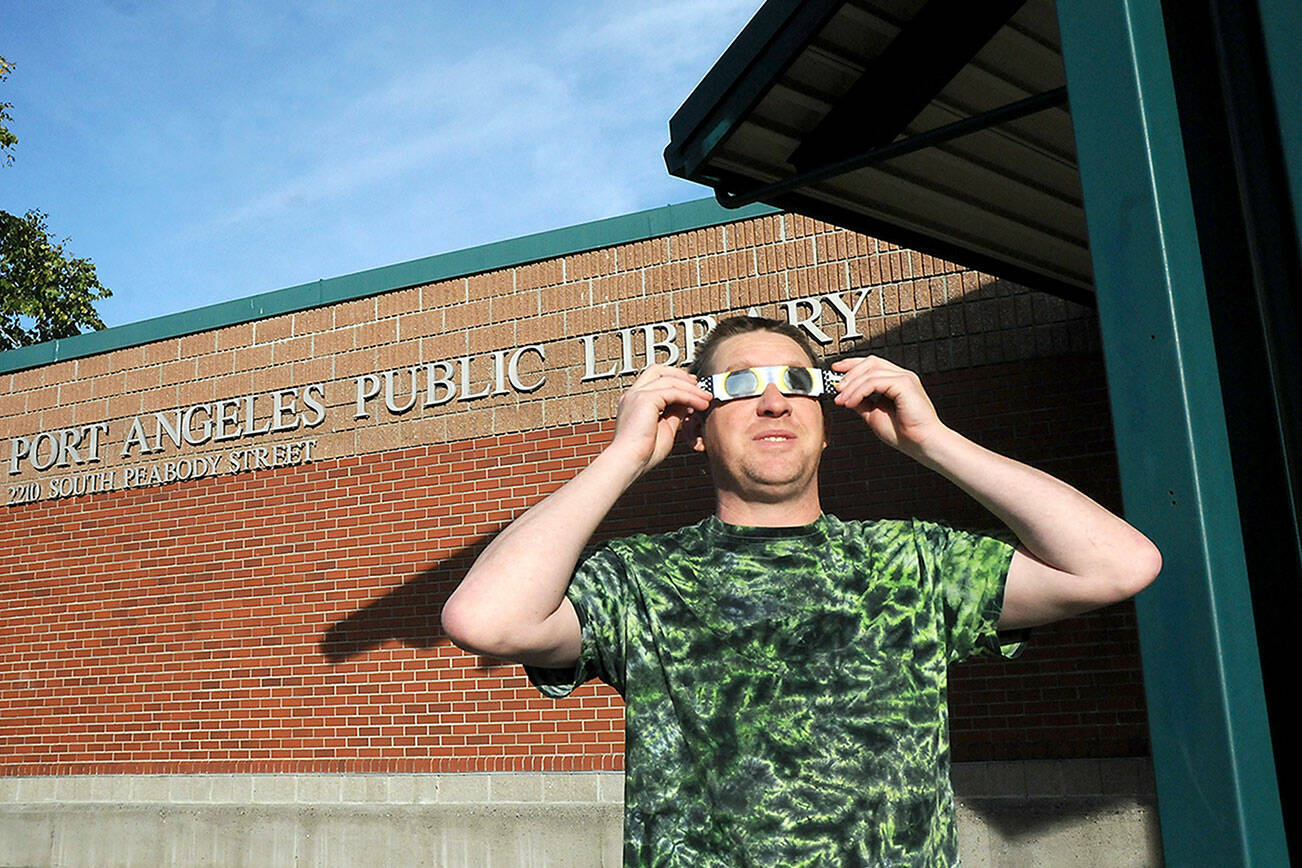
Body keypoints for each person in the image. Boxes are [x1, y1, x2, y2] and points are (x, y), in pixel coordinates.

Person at [442, 316, 1161, 866]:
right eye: (740, 387)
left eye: (796, 384)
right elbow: (485, 618)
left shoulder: (912, 560)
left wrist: (932, 440)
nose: (774, 403)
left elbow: (1117, 566)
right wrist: (622, 456)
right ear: (696, 427)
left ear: (825, 425)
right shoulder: (641, 578)